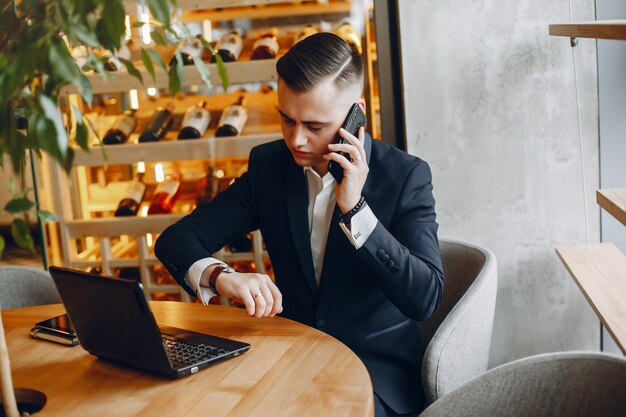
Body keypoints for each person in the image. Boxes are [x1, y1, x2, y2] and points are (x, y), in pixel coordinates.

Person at [155, 32, 444, 416]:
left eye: (315, 125)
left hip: (374, 374)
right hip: (288, 360)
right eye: (286, 119)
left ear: (355, 112)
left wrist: (356, 210)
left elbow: (424, 298)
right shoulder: (270, 167)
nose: (297, 139)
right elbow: (176, 239)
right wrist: (221, 276)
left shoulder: (406, 176)